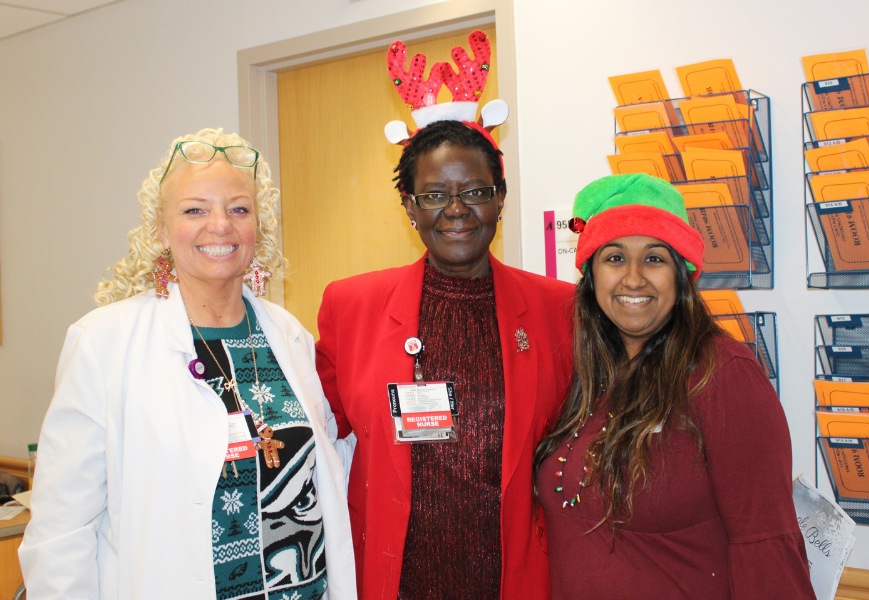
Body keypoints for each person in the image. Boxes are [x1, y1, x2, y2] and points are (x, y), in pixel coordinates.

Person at [19, 128, 356, 600]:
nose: (220, 225)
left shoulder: (289, 335)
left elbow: (325, 473)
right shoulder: (104, 343)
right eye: (195, 210)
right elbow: (61, 531)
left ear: (258, 226)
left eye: (238, 209)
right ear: (160, 228)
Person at [315, 118, 574, 600]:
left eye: (475, 192)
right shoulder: (352, 307)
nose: (456, 210)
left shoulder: (559, 311)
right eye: (435, 195)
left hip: (515, 579)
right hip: (394, 579)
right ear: (409, 206)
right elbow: (318, 436)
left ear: (500, 198)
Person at [534, 173, 815, 600]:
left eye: (654, 259)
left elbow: (766, 546)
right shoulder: (586, 373)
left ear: (681, 275)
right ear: (591, 274)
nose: (633, 279)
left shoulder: (723, 374)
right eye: (614, 258)